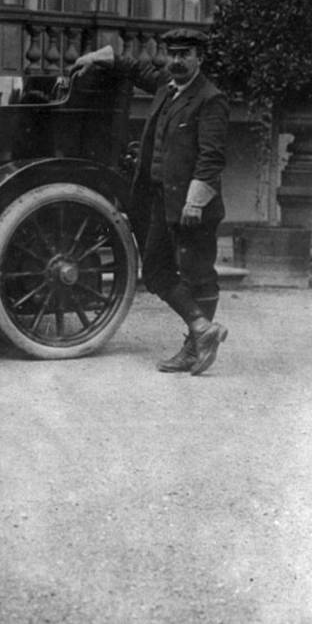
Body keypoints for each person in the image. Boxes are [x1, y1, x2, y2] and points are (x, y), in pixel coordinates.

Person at [71, 28, 230, 375]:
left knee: (198, 275)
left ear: (199, 58)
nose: (176, 61)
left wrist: (195, 202)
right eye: (171, 54)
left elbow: (212, 158)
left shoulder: (210, 99)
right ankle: (203, 329)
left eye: (184, 54)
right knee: (157, 271)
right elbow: (133, 67)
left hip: (191, 206)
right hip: (160, 199)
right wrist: (101, 56)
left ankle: (195, 345)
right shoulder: (166, 87)